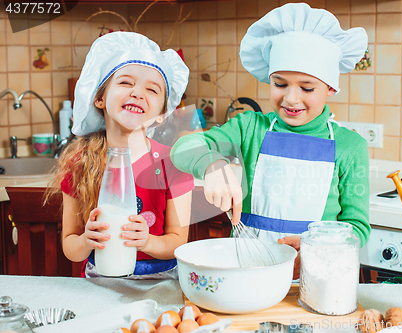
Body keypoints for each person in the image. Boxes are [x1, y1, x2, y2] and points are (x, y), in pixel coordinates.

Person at [170, 3, 370, 278]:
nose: (290, 98)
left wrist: (318, 248)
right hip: (246, 273)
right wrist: (211, 164)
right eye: (280, 83)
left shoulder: (350, 147)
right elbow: (183, 148)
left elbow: (357, 227)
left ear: (331, 87)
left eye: (307, 87)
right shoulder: (250, 127)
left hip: (316, 279)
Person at [46, 32, 194, 279]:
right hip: (99, 282)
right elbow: (71, 248)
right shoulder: (79, 162)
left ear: (161, 114)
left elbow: (177, 243)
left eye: (152, 89)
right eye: (126, 83)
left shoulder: (173, 164)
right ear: (100, 98)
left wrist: (146, 242)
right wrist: (86, 240)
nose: (137, 92)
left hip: (158, 283)